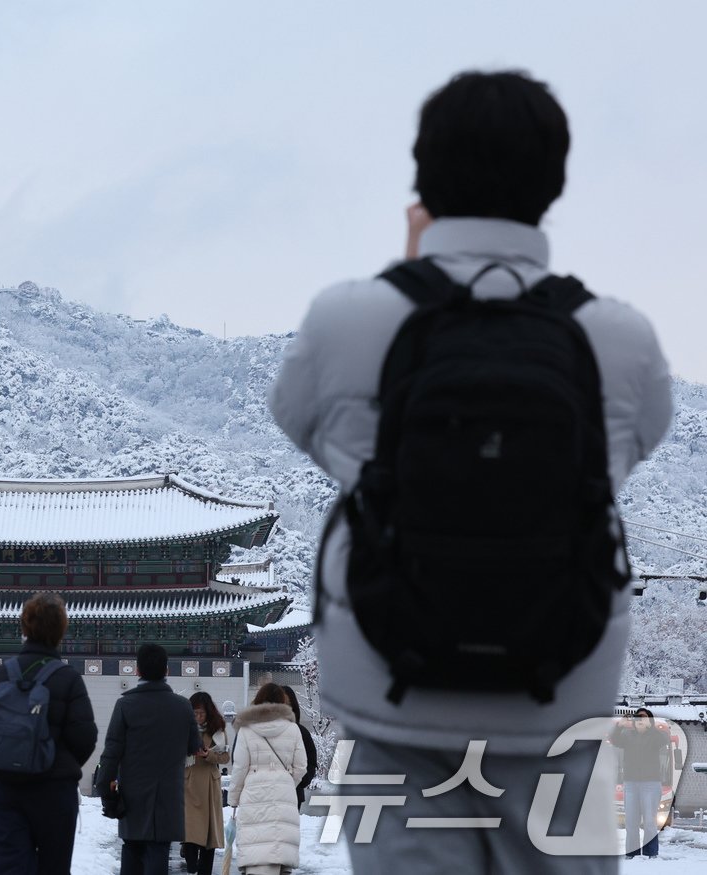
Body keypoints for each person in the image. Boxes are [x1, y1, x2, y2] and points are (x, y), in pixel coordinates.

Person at [269, 70, 673, 874]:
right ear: (554, 182)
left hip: (393, 696)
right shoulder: (619, 340)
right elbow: (623, 455)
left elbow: (308, 425)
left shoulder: (350, 319)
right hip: (558, 694)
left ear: (422, 176)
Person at [0, 591, 97, 875]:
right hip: (55, 793)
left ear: (25, 627)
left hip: (8, 790)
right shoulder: (68, 678)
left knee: (7, 867)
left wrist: (2, 757)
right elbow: (84, 737)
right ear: (61, 630)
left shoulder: (1, 675)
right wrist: (57, 763)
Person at [94, 643, 202, 875]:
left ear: (137, 670)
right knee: (158, 851)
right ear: (167, 671)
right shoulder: (183, 707)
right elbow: (195, 747)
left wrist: (104, 786)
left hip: (133, 795)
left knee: (131, 848)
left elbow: (111, 751)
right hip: (168, 795)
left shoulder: (125, 705)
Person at [229, 683, 307, 875]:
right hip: (284, 795)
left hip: (254, 794)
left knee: (257, 850)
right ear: (282, 702)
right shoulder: (293, 729)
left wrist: (233, 798)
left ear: (258, 701)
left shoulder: (247, 730)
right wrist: (286, 782)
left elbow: (239, 768)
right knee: (280, 851)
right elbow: (301, 767)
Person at [610, 708, 671, 859]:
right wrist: (620, 726)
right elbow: (614, 739)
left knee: (650, 821)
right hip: (630, 784)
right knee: (631, 822)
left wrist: (652, 728)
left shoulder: (656, 736)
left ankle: (651, 853)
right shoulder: (627, 735)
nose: (639, 721)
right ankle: (632, 854)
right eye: (637, 718)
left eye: (643, 718)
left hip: (651, 784)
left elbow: (665, 739)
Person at [182, 691, 231, 875]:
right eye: (194, 713)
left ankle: (205, 871)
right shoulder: (183, 728)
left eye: (201, 713)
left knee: (209, 835)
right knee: (190, 831)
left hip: (210, 784)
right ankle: (190, 859)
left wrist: (208, 754)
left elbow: (226, 757)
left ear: (209, 713)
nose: (198, 717)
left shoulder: (218, 730)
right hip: (188, 782)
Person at [279, 685, 317, 806]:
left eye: (288, 704)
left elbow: (311, 762)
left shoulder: (301, 732)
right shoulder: (261, 732)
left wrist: (300, 781)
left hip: (293, 796)